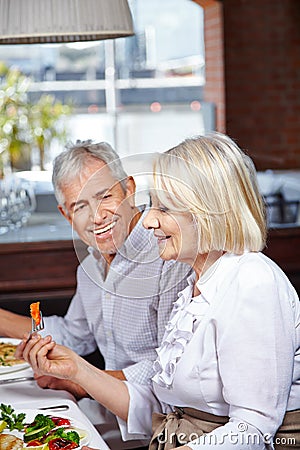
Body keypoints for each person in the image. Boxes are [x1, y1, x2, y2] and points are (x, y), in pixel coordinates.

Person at [17, 132, 300, 450]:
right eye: (152, 205)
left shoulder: (253, 281)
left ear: (208, 212)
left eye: (164, 208)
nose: (148, 220)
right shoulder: (196, 285)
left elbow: (255, 428)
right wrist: (77, 370)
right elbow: (161, 407)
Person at [1, 141, 190, 449]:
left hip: (162, 423)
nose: (97, 217)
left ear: (129, 188)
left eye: (105, 197)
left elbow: (168, 369)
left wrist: (83, 381)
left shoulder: (168, 257)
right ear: (66, 214)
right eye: (80, 207)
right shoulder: (89, 267)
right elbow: (73, 335)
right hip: (108, 412)